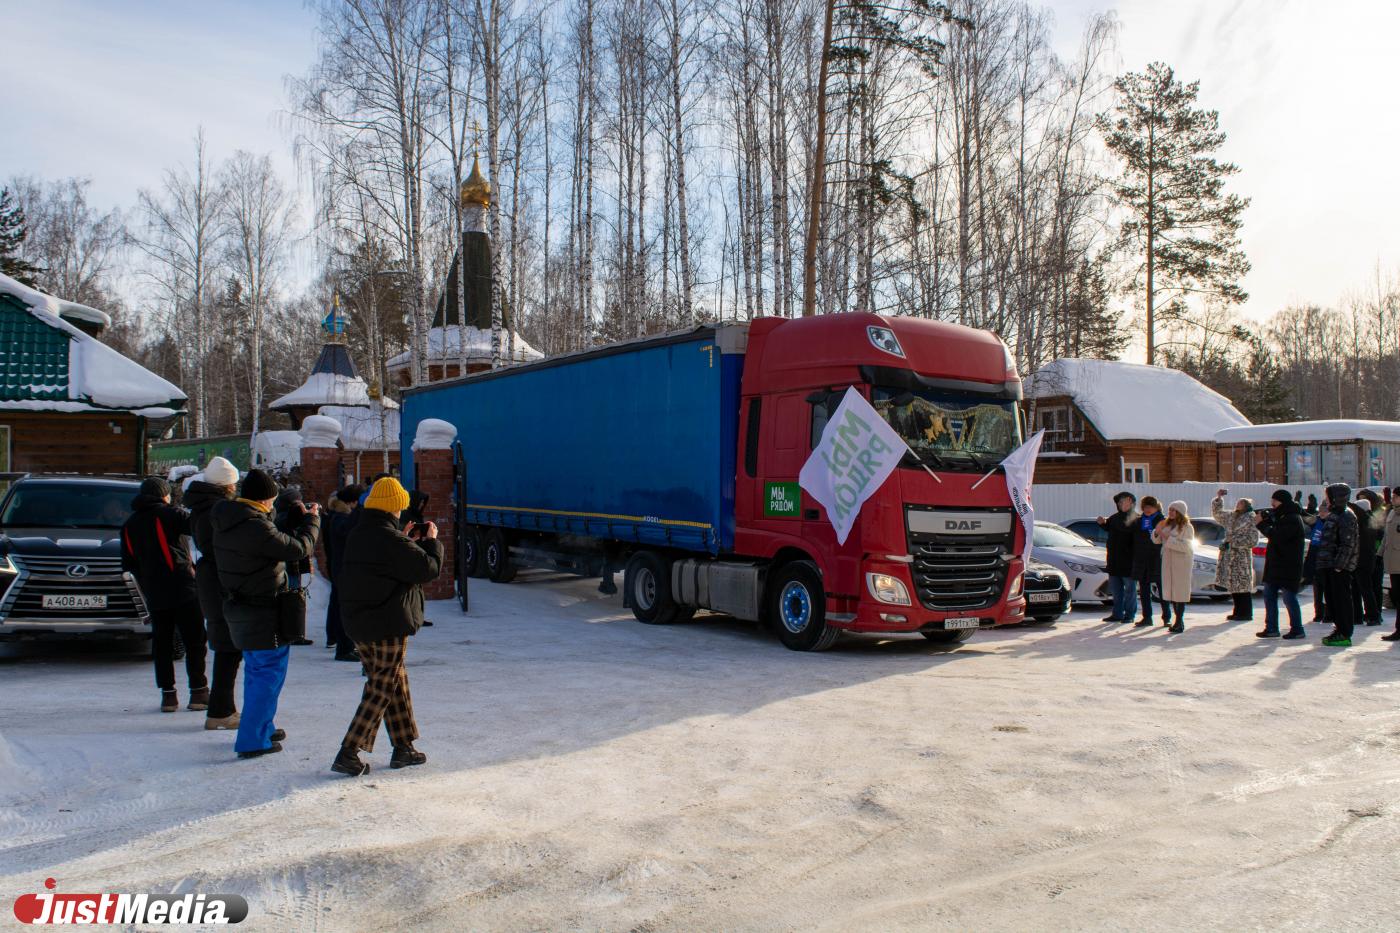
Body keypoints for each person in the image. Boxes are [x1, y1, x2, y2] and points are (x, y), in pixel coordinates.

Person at [332, 477, 443, 776]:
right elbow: (427, 568)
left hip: (360, 621)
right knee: (382, 685)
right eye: (400, 508)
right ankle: (349, 751)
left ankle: (403, 746)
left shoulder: (362, 532)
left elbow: (389, 562)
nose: (401, 512)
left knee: (394, 680)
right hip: (386, 622)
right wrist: (431, 542)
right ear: (393, 507)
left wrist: (405, 539)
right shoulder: (389, 539)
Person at [212, 469, 320, 759]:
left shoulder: (230, 520)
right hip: (263, 611)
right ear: (264, 499)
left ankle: (261, 726)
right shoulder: (254, 526)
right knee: (267, 675)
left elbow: (272, 541)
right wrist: (312, 521)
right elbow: (299, 548)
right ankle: (253, 739)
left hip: (242, 608)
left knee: (256, 672)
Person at [120, 477, 209, 713]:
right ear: (164, 495)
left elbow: (128, 564)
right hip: (183, 587)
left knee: (162, 643)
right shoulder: (171, 514)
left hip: (154, 592)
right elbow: (197, 528)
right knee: (195, 640)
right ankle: (199, 692)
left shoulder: (129, 525)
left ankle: (168, 695)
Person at [183, 457, 243, 729]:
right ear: (228, 484)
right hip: (222, 580)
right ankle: (221, 711)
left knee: (225, 648)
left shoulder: (200, 505)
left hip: (210, 579)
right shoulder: (219, 510)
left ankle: (222, 708)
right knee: (229, 649)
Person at [1255, 490, 1306, 639]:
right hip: (1276, 566)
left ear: (1283, 502)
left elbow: (1277, 536)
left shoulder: (1293, 518)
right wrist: (1266, 520)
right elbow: (1275, 530)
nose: (1272, 504)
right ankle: (1271, 628)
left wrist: (1261, 524)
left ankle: (1297, 629)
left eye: (1275, 501)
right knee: (1269, 596)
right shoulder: (1283, 516)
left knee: (1289, 598)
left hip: (1288, 566)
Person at [1314, 483, 1359, 648]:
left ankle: (1345, 632)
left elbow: (1348, 544)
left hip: (1339, 567)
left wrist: (1339, 565)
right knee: (1332, 600)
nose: (1326, 500)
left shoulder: (1347, 515)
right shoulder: (1335, 514)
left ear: (1336, 497)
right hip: (1329, 565)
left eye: (1328, 496)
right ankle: (1339, 628)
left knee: (1342, 601)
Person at [325, 484, 365, 661]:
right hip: (342, 569)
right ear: (352, 502)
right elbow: (347, 531)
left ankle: (343, 644)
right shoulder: (339, 518)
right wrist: (360, 511)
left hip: (341, 568)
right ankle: (344, 648)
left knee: (340, 607)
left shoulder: (338, 516)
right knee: (344, 610)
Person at [274, 487, 316, 646]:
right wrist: (309, 518)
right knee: (292, 598)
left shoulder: (279, 515)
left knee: (290, 597)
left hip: (289, 564)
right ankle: (294, 632)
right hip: (291, 564)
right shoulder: (287, 518)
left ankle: (293, 631)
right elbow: (303, 537)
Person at [1212, 490, 1259, 621]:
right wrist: (1219, 498)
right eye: (1238, 502)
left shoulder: (1251, 518)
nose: (1238, 505)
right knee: (1234, 585)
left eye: (1241, 503)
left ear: (1246, 506)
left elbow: (1253, 539)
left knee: (1242, 586)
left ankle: (1246, 613)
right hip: (1230, 556)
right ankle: (1237, 611)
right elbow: (1218, 514)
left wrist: (1234, 542)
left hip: (1241, 556)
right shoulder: (1232, 516)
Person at [1151, 500, 1195, 633]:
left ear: (1180, 512)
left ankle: (1179, 621)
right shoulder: (1168, 524)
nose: (1170, 512)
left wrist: (1167, 537)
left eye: (1173, 510)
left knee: (1179, 593)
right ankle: (1177, 621)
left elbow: (1186, 546)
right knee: (1172, 592)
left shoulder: (1187, 527)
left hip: (1181, 563)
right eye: (1169, 509)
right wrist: (1157, 532)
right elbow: (1157, 540)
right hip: (1168, 562)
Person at [1097, 491, 1138, 623]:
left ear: (1131, 502)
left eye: (1123, 501)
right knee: (1116, 591)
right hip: (1114, 561)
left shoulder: (1136, 518)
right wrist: (1102, 523)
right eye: (1119, 502)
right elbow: (1109, 528)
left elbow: (1126, 530)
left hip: (1129, 562)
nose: (1120, 504)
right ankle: (1117, 614)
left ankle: (1130, 615)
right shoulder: (1114, 518)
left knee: (1130, 590)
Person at [1132, 496, 1167, 626]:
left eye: (1150, 507)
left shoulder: (1162, 520)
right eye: (1145, 507)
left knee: (1162, 589)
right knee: (1144, 591)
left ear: (1156, 507)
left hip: (1157, 558)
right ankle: (1147, 617)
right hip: (1141, 559)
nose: (1147, 509)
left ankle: (1167, 617)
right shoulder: (1138, 521)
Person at [1357, 489, 1386, 623]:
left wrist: (1377, 552)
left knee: (1375, 586)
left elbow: (1381, 536)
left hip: (1375, 555)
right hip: (1364, 556)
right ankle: (1368, 612)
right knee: (1364, 586)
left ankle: (1376, 612)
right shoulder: (1360, 517)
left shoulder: (1377, 515)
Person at [1383, 486, 1400, 642]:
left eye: (1395, 496)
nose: (1393, 499)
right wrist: (1379, 554)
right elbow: (1386, 537)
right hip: (1393, 562)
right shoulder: (1393, 513)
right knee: (1396, 596)